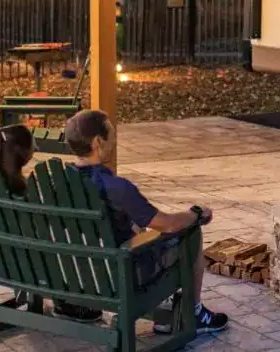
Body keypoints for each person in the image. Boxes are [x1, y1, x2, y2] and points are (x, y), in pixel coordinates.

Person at [62, 109, 229, 334]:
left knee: (138, 230)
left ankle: (166, 312)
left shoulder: (59, 183)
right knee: (191, 235)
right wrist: (196, 214)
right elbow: (166, 223)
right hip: (122, 275)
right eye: (111, 133)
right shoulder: (117, 188)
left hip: (81, 273)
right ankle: (193, 312)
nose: (115, 139)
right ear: (97, 142)